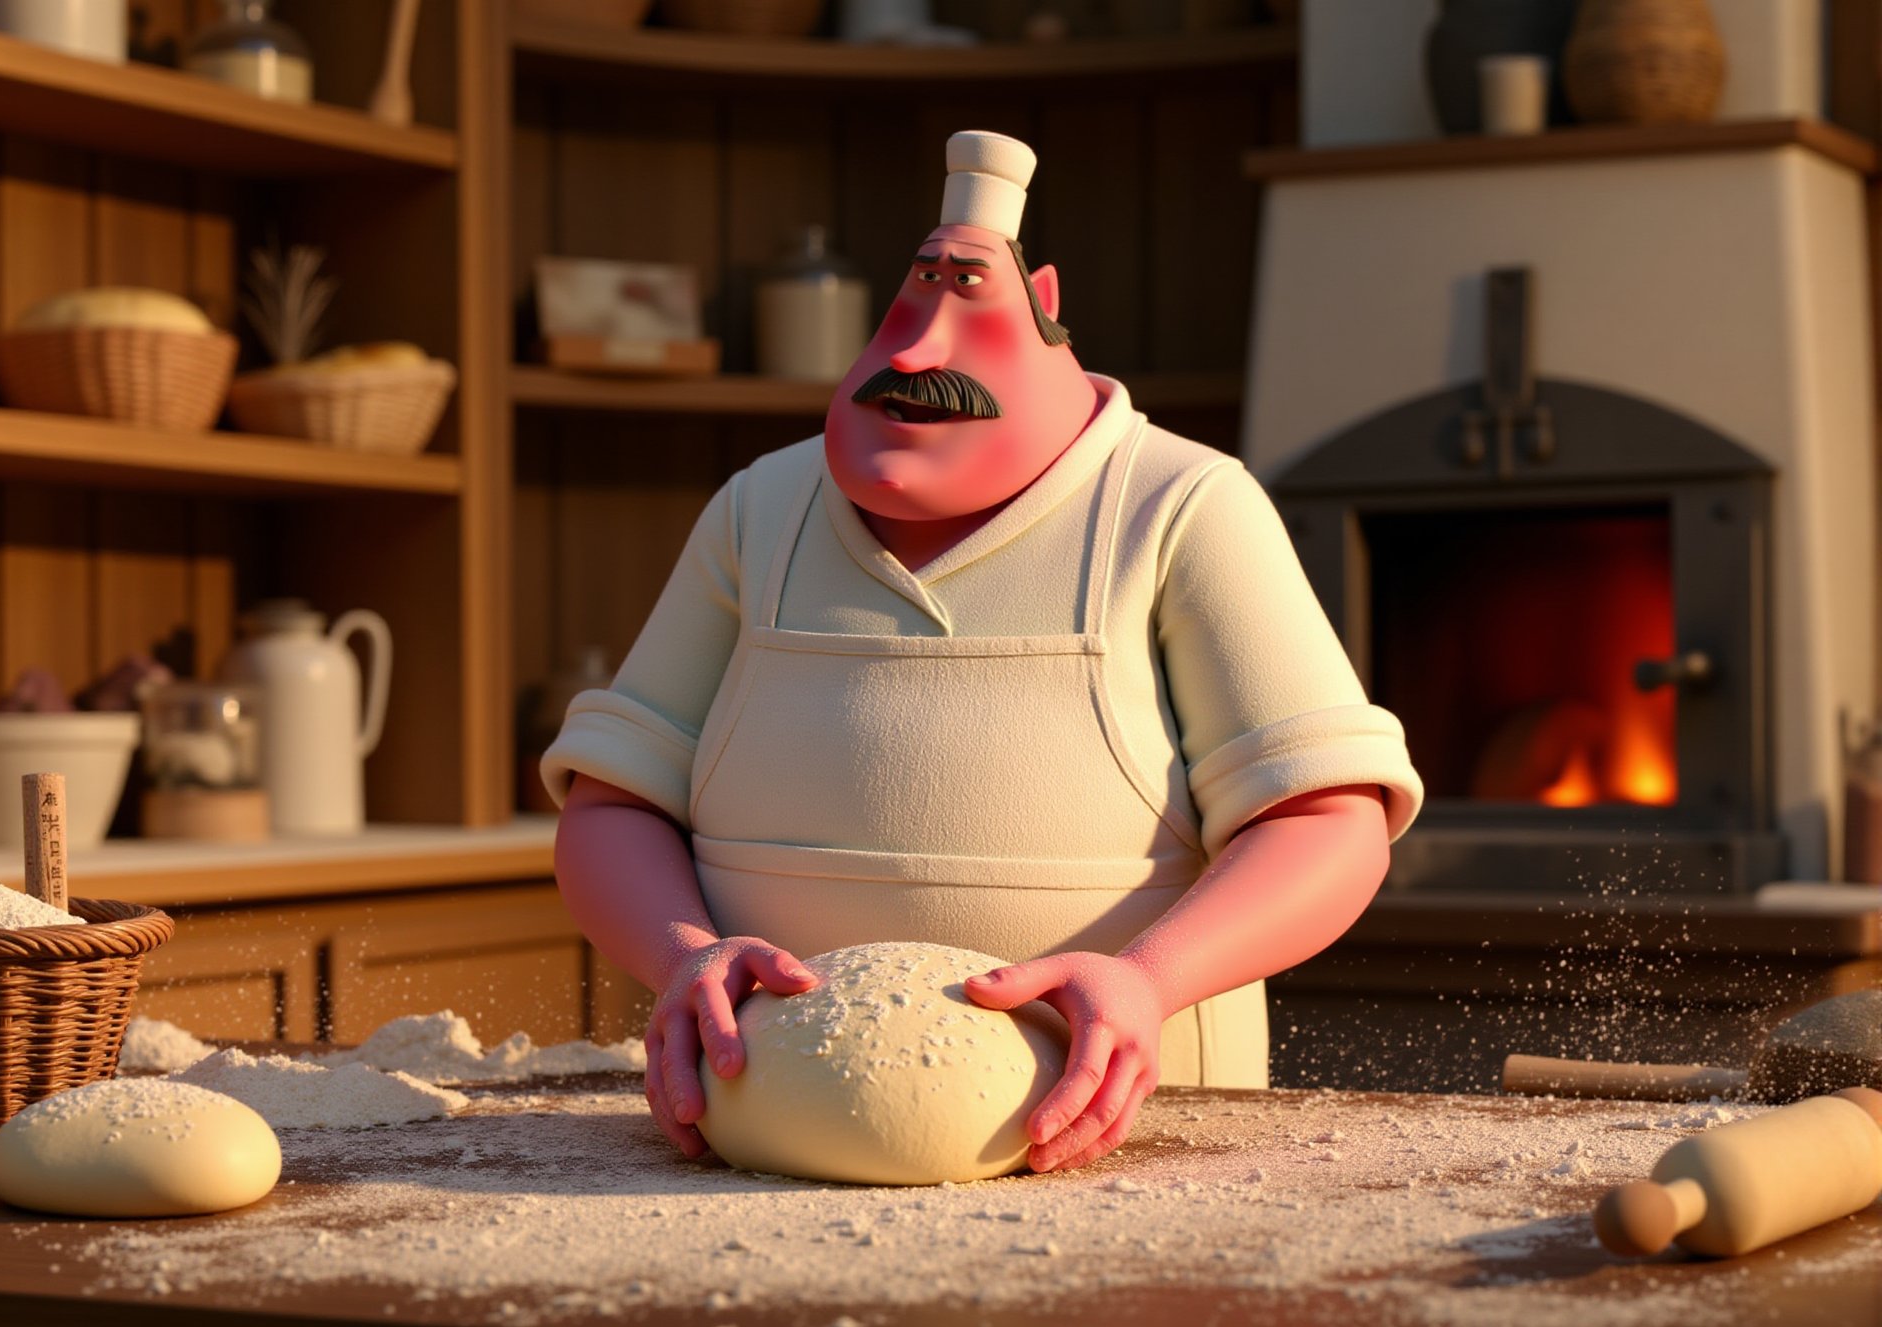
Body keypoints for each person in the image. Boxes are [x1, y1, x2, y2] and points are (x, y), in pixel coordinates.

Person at [544, 131, 1423, 1174]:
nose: (915, 356)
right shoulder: (760, 509)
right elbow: (612, 803)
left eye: (967, 293)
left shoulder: (1177, 506)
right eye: (910, 302)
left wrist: (1149, 975)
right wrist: (683, 953)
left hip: (1133, 1139)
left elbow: (1327, 818)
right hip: (754, 1135)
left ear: (1042, 306)